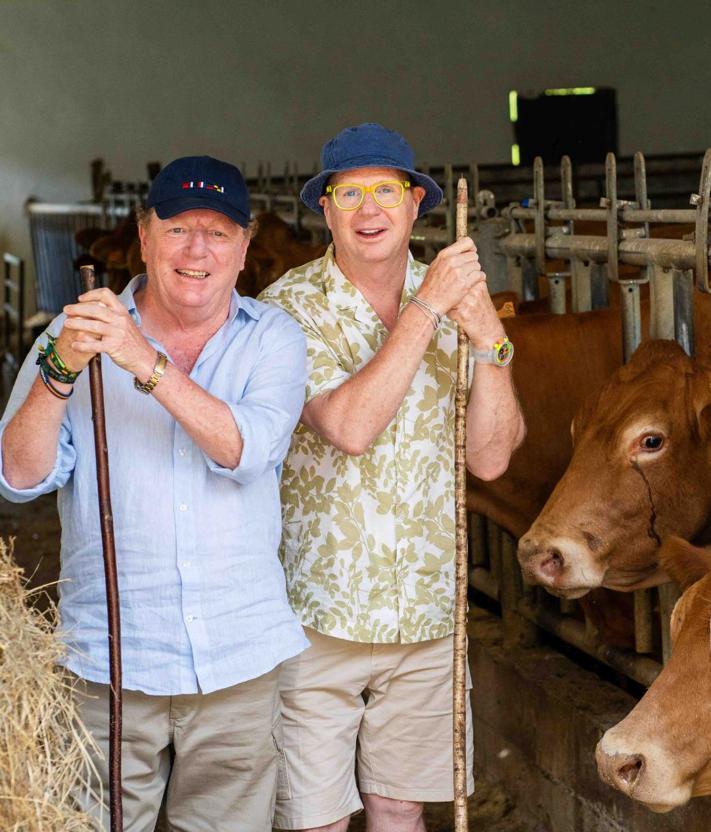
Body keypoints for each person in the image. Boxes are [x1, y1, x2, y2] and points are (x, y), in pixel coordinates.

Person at [0, 155, 309, 831]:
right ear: (144, 238)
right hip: (109, 662)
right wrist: (59, 372)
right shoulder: (69, 337)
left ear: (245, 245)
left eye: (218, 231)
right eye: (177, 228)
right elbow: (18, 478)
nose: (197, 249)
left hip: (236, 662)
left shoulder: (274, 339)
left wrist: (141, 359)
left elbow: (243, 451)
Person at [259, 123, 525, 832]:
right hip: (316, 614)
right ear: (325, 209)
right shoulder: (287, 309)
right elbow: (347, 427)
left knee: (400, 807)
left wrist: (488, 346)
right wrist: (428, 311)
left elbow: (493, 459)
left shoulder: (458, 299)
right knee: (314, 817)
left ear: (415, 205)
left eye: (385, 190)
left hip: (427, 611)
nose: (368, 208)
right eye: (349, 192)